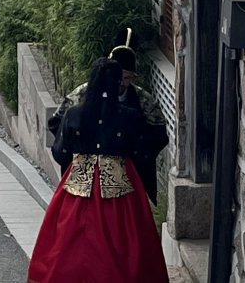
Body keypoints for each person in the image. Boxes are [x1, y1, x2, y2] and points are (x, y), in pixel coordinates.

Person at [29, 58, 169, 283]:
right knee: (126, 238)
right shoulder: (130, 116)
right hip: (119, 182)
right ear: (117, 84)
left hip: (80, 179)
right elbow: (141, 148)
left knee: (67, 237)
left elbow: (60, 152)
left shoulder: (74, 114)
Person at [48, 34, 168, 203]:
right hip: (83, 174)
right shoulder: (82, 94)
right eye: (118, 78)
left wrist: (137, 156)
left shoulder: (142, 99)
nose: (121, 84)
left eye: (127, 78)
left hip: (123, 174)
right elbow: (57, 123)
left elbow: (158, 133)